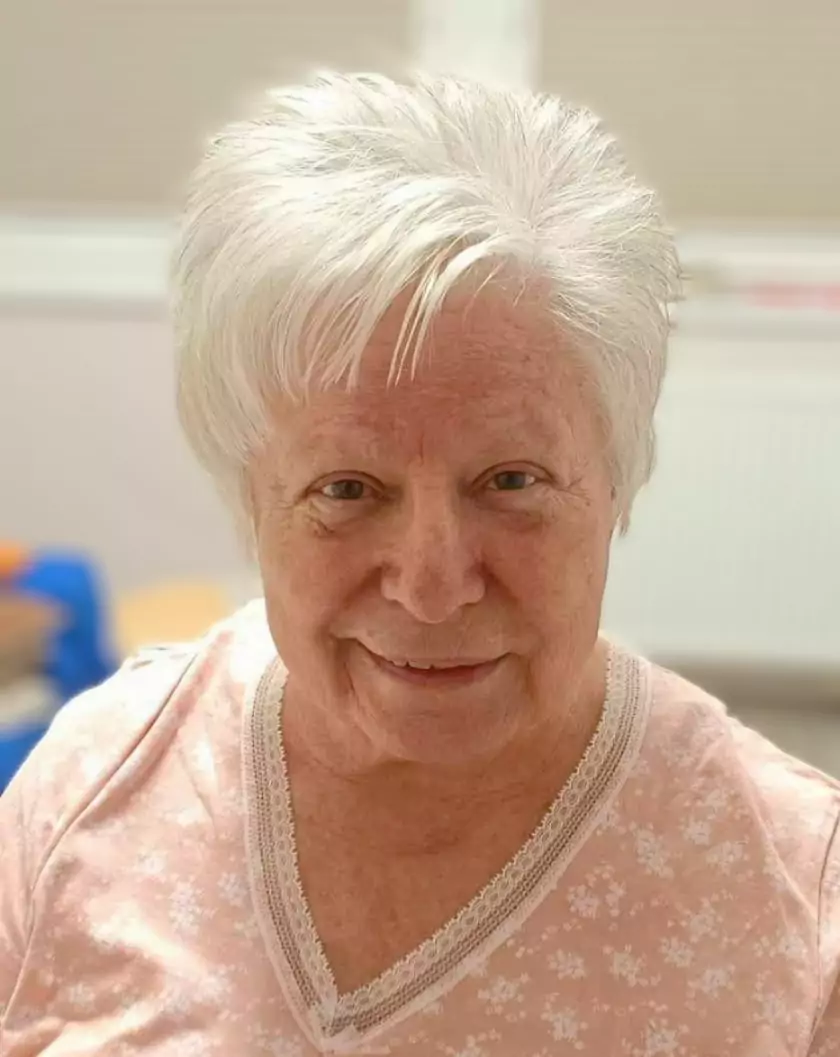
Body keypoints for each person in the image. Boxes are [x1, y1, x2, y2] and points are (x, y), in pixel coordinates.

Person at [1, 71, 838, 1057]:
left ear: (617, 481)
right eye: (348, 488)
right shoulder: (90, 792)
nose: (434, 587)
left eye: (512, 480)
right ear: (251, 496)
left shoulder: (796, 892)